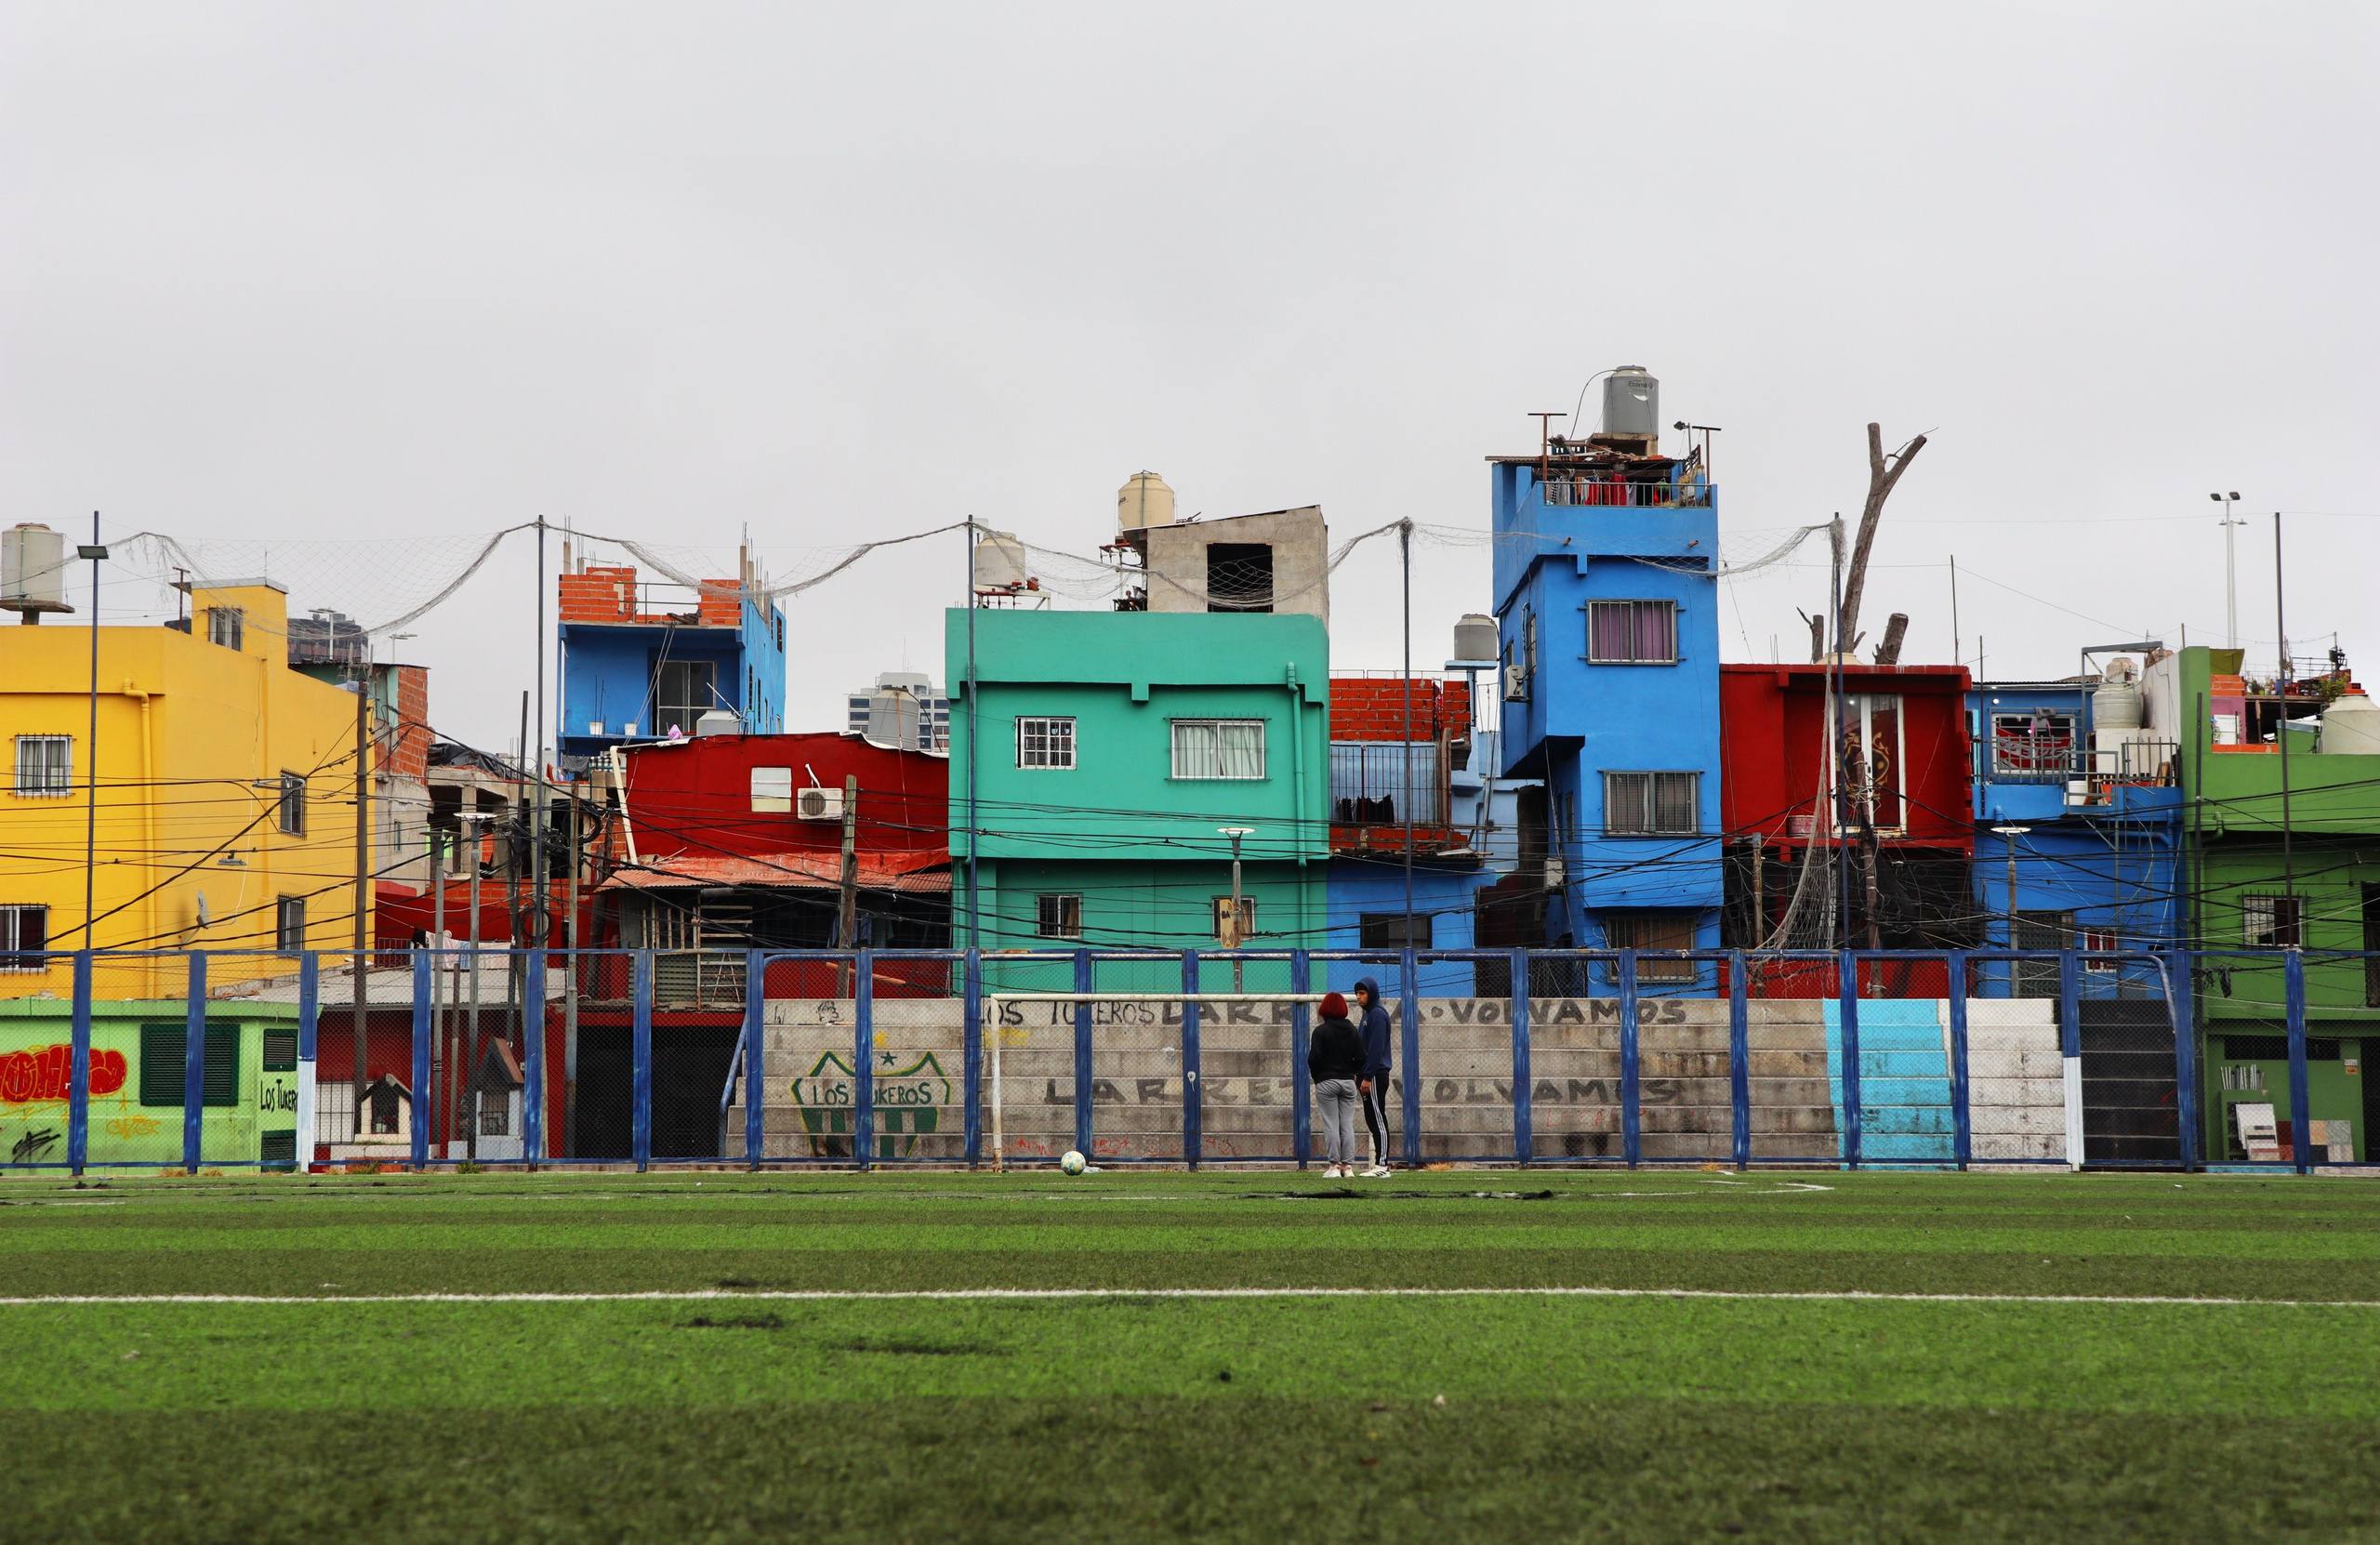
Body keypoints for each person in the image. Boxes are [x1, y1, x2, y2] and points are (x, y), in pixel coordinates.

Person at [1306, 991, 1364, 1179]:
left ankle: (1334, 1166)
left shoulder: (1321, 1031)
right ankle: (1347, 1166)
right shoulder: (1352, 1030)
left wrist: (1318, 1076)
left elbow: (1313, 1058)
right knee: (1346, 1124)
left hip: (1327, 1081)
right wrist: (1353, 1072)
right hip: (1348, 1081)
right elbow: (1362, 1057)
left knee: (1331, 1124)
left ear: (1325, 1009)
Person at [1352, 976, 1394, 1177]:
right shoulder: (1368, 1014)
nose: (1358, 997)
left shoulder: (1377, 1014)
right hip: (1367, 1074)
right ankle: (1379, 1164)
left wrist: (1368, 1076)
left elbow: (1376, 1048)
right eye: (1357, 993)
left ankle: (1382, 1165)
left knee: (1377, 1118)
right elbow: (1363, 1047)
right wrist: (1358, 1073)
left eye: (1362, 993)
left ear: (1372, 993)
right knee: (1372, 1118)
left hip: (1375, 1075)